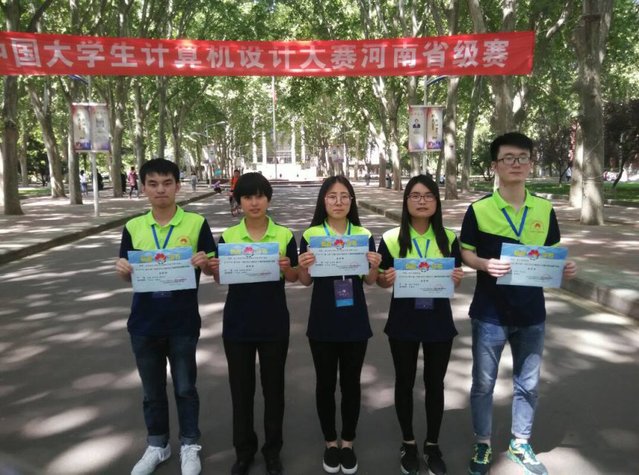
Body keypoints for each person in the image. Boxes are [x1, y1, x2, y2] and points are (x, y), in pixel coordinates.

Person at [460, 132, 577, 475]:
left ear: (531, 163)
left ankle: (520, 443)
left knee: (528, 384)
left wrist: (564, 267)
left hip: (531, 313)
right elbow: (465, 251)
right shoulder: (479, 209)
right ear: (495, 166)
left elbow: (551, 253)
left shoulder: (544, 209)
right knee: (483, 384)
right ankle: (483, 442)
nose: (516, 163)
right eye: (508, 158)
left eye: (522, 157)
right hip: (489, 313)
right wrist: (484, 264)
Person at [115, 158, 216, 475]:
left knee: (185, 388)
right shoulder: (133, 227)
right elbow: (128, 274)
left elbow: (213, 268)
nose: (161, 189)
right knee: (152, 392)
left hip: (183, 321)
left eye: (167, 183)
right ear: (143, 188)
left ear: (178, 186)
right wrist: (123, 270)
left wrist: (205, 263)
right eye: (153, 184)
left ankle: (189, 444)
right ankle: (158, 445)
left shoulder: (196, 223)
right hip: (144, 323)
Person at [209, 173, 298, 475]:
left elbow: (295, 276)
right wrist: (215, 269)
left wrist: (288, 268)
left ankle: (273, 451)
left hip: (274, 322)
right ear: (239, 201)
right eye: (247, 197)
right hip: (238, 323)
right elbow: (220, 278)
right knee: (241, 391)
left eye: (259, 196)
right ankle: (244, 451)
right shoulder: (229, 237)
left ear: (268, 199)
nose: (254, 202)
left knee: (274, 391)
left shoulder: (284, 236)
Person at [376, 175, 464, 475]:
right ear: (406, 201)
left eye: (428, 196)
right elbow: (380, 280)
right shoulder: (391, 238)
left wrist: (456, 278)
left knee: (435, 384)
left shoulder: (449, 238)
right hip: (403, 321)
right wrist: (384, 278)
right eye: (415, 195)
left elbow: (455, 277)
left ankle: (432, 444)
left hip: (439, 321)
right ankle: (409, 443)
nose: (422, 201)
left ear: (436, 202)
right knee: (404, 381)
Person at [297, 176, 381, 475]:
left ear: (351, 201)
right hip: (323, 320)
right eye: (332, 196)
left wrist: (374, 265)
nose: (338, 202)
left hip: (354, 320)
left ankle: (348, 442)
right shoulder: (311, 235)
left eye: (345, 196)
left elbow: (370, 281)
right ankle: (330, 442)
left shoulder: (363, 234)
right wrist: (303, 266)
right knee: (325, 383)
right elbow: (305, 281)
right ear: (323, 201)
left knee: (351, 384)